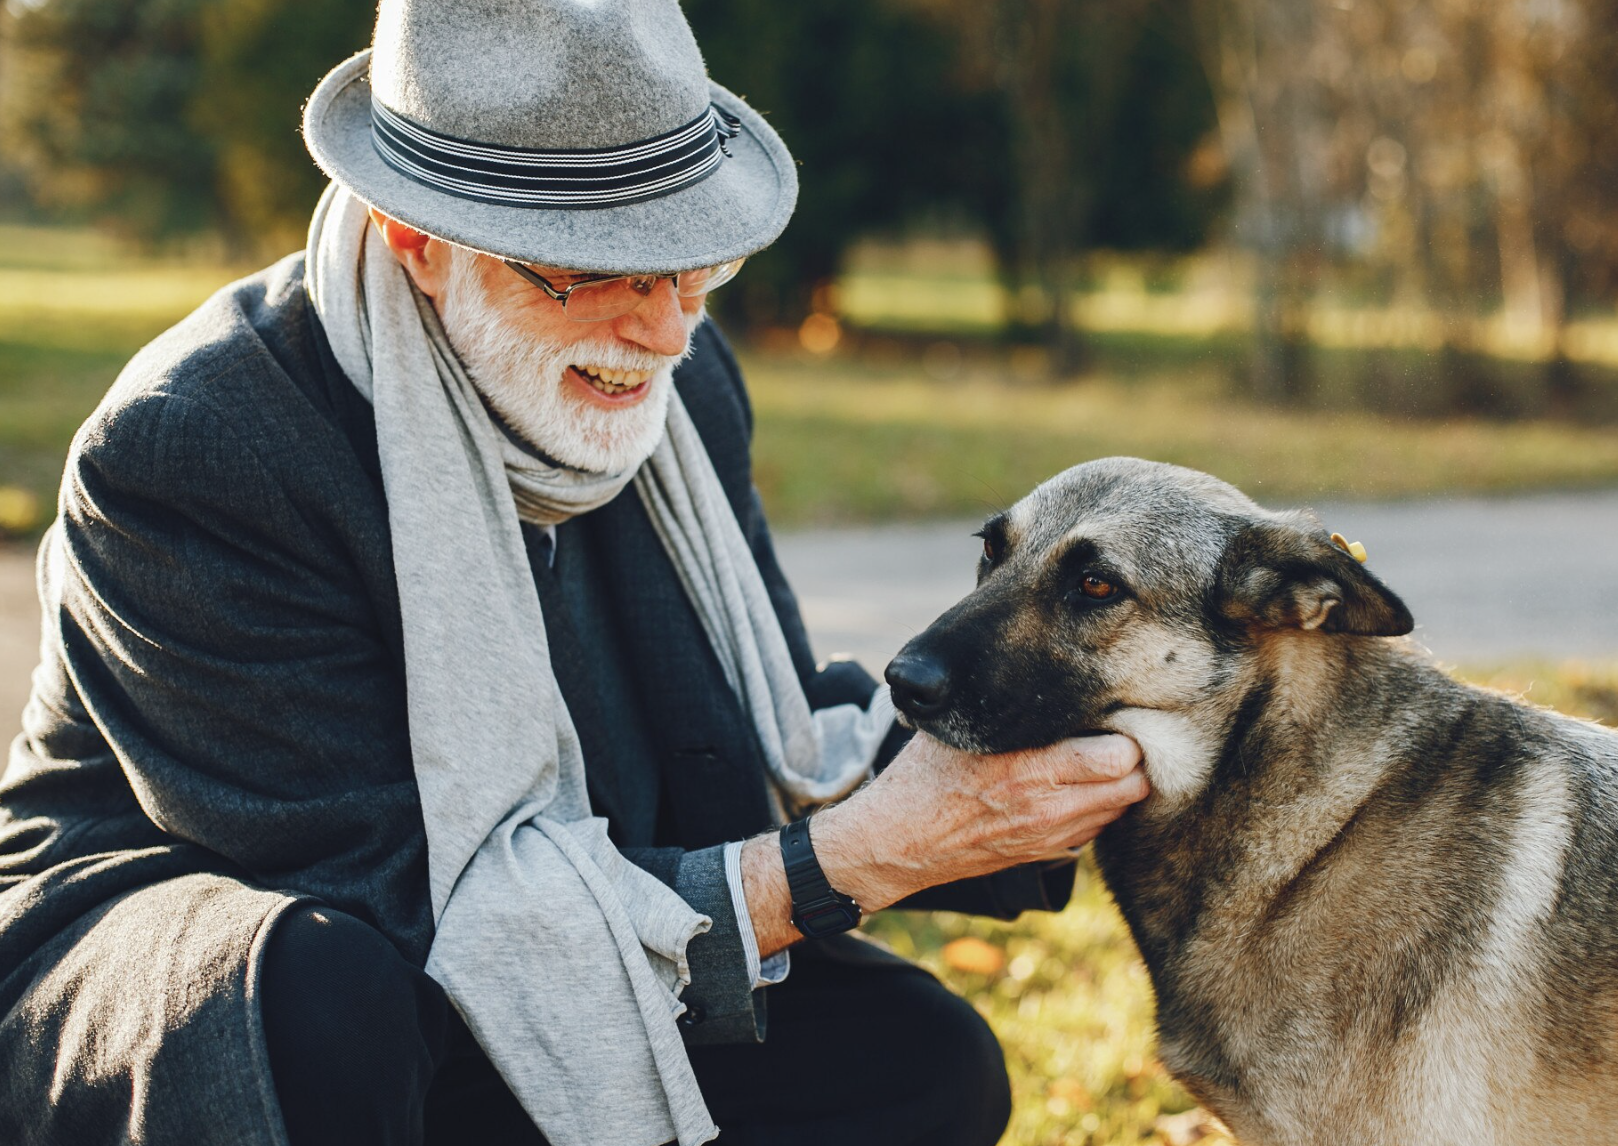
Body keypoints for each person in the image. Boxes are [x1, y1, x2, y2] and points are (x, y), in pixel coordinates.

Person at [0, 1, 1149, 1144]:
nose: (662, 328)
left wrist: (1054, 737)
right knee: (318, 1000)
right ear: (418, 238)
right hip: (242, 974)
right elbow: (401, 907)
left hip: (557, 919)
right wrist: (859, 854)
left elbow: (757, 740)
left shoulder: (683, 387)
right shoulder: (198, 445)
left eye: (693, 261)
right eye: (599, 269)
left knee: (919, 1065)